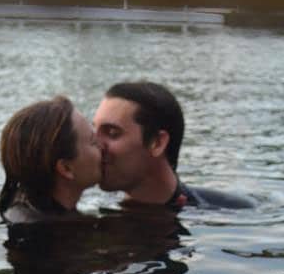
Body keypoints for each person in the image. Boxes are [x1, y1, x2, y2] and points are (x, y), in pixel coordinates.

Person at [93, 81, 254, 210]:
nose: (95, 144)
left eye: (112, 133)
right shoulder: (87, 201)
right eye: (94, 131)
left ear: (157, 143)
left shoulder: (232, 211)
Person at [0, 95, 103, 223]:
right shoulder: (66, 235)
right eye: (93, 142)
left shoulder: (14, 205)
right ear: (66, 168)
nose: (103, 146)